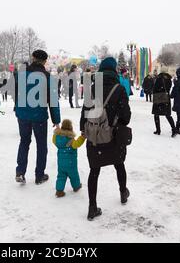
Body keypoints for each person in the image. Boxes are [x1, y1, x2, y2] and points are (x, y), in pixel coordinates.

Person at [80, 57, 131, 221]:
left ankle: (92, 207)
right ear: (114, 70)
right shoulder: (119, 89)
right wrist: (114, 124)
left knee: (94, 171)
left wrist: (84, 129)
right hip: (114, 136)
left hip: (95, 136)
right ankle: (123, 192)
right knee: (119, 164)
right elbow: (126, 117)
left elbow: (84, 113)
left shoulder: (92, 88)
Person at [15, 49, 61, 185]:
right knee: (41, 145)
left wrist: (18, 110)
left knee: (24, 142)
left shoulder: (22, 75)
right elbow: (53, 101)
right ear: (45, 61)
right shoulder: (48, 77)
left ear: (33, 58)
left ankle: (20, 171)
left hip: (23, 114)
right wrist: (56, 120)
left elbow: (16, 93)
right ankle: (39, 175)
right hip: (39, 115)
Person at [53, 119, 84, 197]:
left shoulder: (57, 138)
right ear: (71, 128)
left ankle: (59, 191)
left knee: (61, 176)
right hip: (71, 164)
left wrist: (56, 132)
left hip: (61, 164)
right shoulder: (71, 140)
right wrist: (82, 138)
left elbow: (54, 140)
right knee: (74, 175)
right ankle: (76, 186)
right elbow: (77, 144)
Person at [152, 70, 176, 136]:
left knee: (156, 114)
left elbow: (155, 88)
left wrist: (155, 92)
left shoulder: (159, 78)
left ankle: (158, 130)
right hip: (166, 96)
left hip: (158, 96)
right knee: (167, 114)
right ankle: (174, 129)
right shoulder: (169, 79)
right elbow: (169, 87)